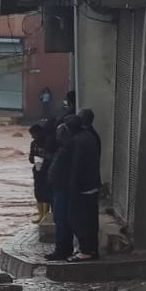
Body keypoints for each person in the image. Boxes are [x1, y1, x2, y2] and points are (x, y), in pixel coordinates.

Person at [68, 111, 102, 261]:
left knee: (82, 220)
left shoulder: (77, 141)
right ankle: (91, 249)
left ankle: (86, 251)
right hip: (92, 183)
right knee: (90, 219)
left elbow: (76, 167)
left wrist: (73, 189)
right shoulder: (90, 136)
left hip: (83, 188)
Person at [46, 121, 75, 261]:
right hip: (60, 188)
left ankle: (62, 249)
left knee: (61, 219)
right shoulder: (65, 148)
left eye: (59, 134)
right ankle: (63, 248)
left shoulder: (67, 150)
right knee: (61, 219)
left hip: (62, 189)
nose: (57, 136)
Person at [28, 122, 52, 224]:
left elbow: (51, 157)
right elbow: (30, 157)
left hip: (46, 171)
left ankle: (46, 216)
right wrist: (34, 159)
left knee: (46, 193)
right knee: (38, 193)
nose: (32, 136)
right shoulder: (33, 144)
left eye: (34, 134)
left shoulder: (48, 142)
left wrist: (45, 160)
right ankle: (41, 215)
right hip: (37, 171)